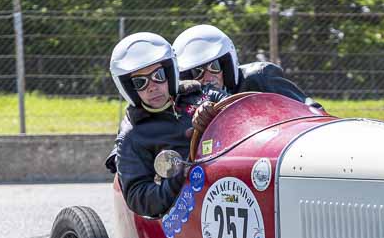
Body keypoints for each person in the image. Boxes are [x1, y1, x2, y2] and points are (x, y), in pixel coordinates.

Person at [107, 32, 222, 217]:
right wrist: (181, 175)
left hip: (227, 180)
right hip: (188, 213)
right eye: (140, 82)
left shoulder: (198, 95)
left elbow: (241, 110)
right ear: (130, 88)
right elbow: (139, 198)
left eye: (158, 75)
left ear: (169, 73)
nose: (152, 86)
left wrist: (214, 110)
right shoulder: (133, 134)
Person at [172, 24, 322, 109]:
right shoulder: (187, 99)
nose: (208, 77)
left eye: (215, 66)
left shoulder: (260, 77)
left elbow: (311, 108)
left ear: (227, 66)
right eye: (197, 72)